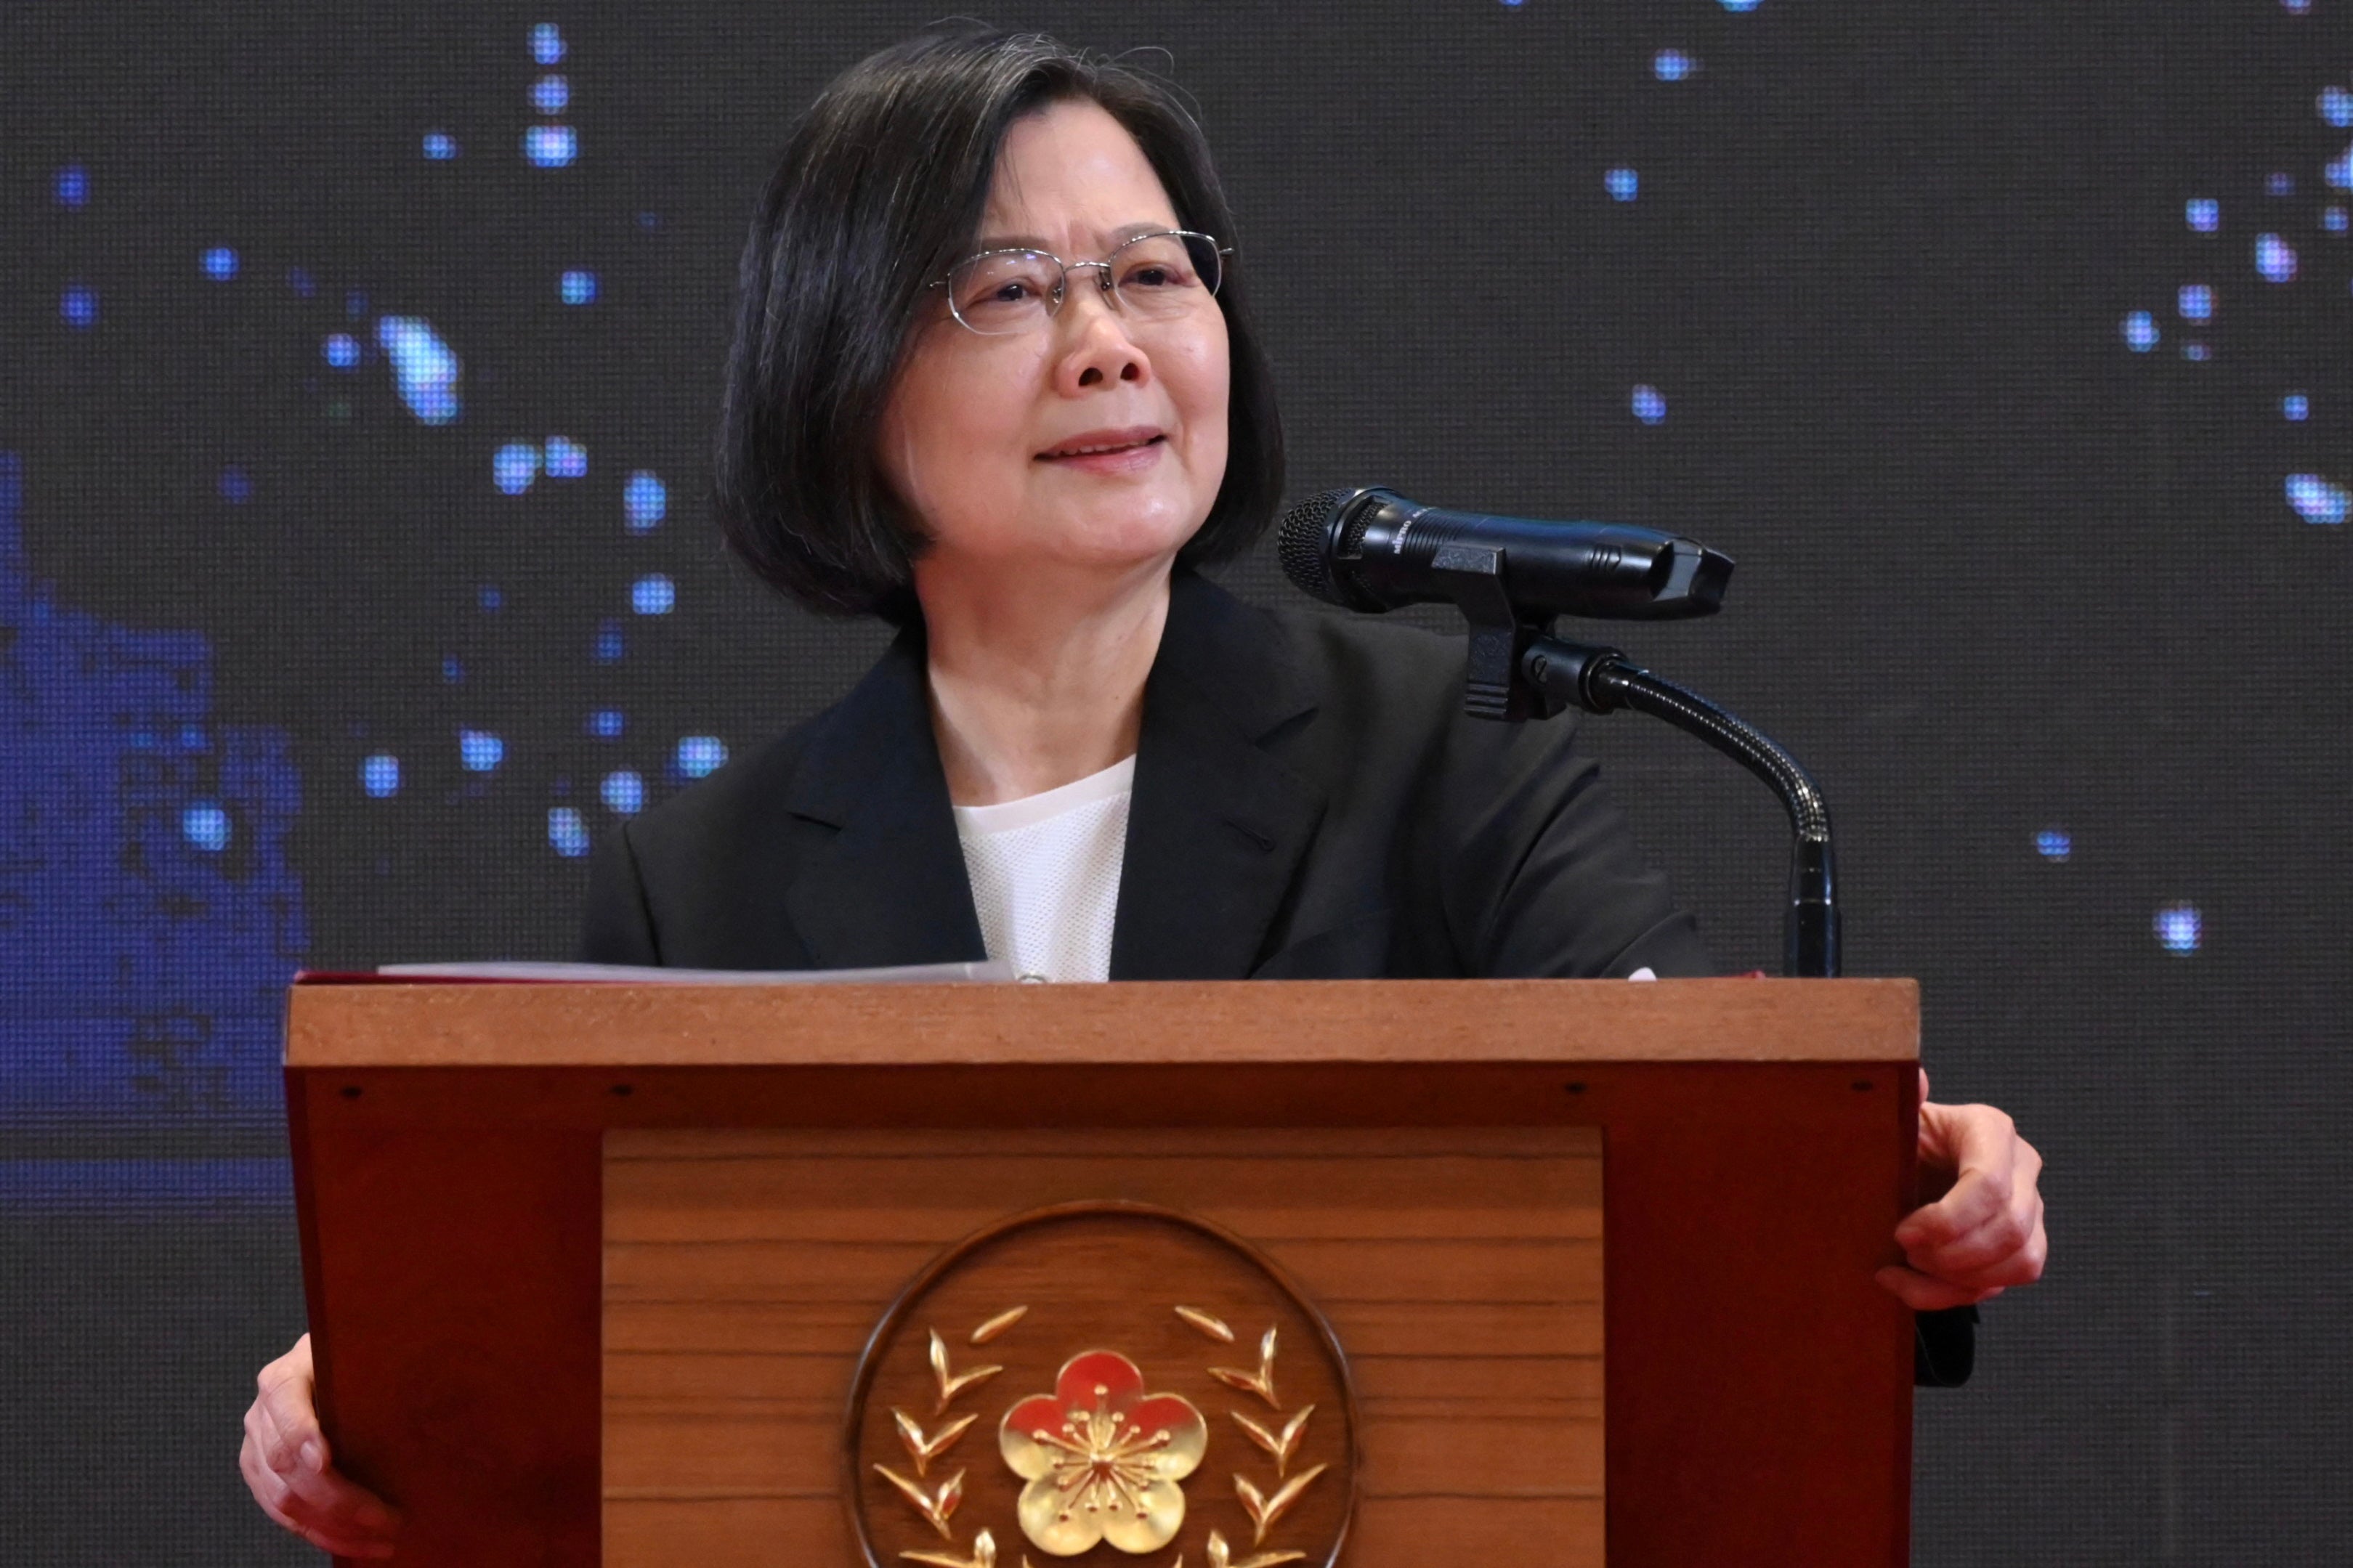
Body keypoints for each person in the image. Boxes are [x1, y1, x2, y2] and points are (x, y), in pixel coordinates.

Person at [238, 26, 2046, 1556]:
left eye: (1153, 274)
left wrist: (1903, 1174)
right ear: (840, 376)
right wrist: (386, 1389)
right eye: (1013, 289)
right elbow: (622, 1381)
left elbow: (1693, 1138)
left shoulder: (1439, 744)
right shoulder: (700, 877)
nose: (1107, 341)